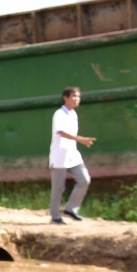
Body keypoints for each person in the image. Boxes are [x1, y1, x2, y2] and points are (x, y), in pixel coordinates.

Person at [50, 86, 94, 224]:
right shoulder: (59, 114)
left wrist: (79, 141)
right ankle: (55, 215)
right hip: (59, 156)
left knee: (84, 180)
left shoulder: (73, 114)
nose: (77, 99)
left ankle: (71, 209)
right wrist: (81, 139)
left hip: (72, 155)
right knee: (58, 188)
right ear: (66, 98)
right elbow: (61, 132)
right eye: (74, 96)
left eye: (78, 96)